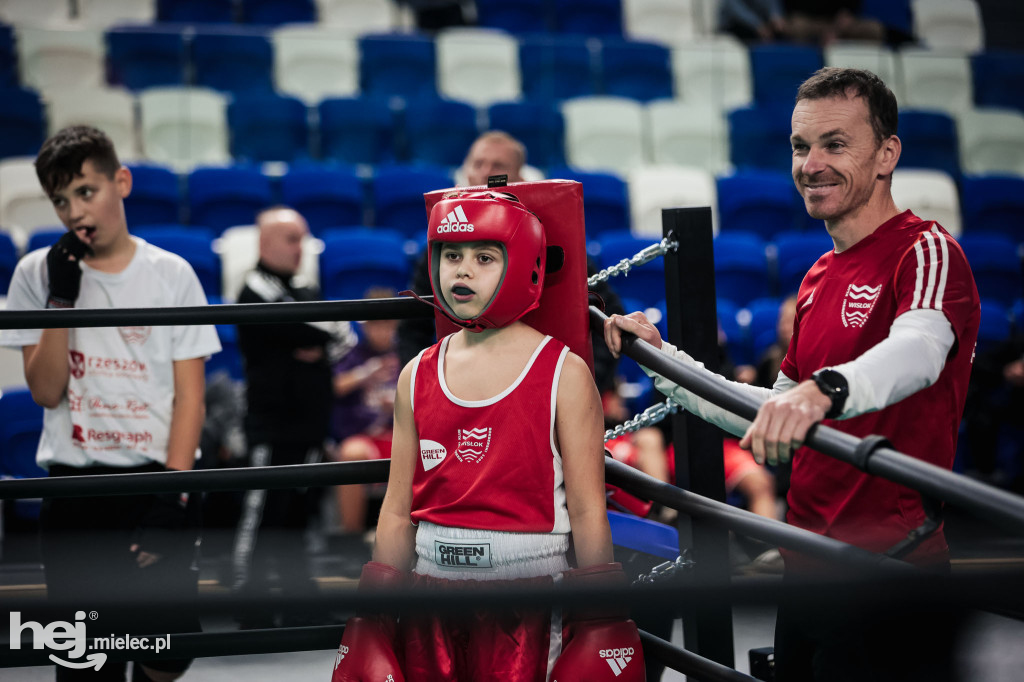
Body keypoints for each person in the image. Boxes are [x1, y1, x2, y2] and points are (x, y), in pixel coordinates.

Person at [604, 67, 980, 681]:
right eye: (801, 147)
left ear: (887, 154)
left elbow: (921, 347)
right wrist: (667, 361)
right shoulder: (816, 279)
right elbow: (771, 409)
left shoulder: (926, 250)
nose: (812, 164)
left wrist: (824, 391)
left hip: (889, 573)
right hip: (808, 568)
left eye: (836, 144)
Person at [332, 191, 644, 681]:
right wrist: (369, 617)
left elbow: (587, 508)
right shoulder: (415, 374)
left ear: (523, 265)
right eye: (452, 255)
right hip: (429, 594)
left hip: (531, 600)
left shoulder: (562, 372)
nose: (463, 271)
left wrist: (603, 616)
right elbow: (396, 509)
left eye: (484, 257)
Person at [0, 125, 222, 681]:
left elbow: (190, 398)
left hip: (155, 480)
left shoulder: (171, 274)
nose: (75, 211)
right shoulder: (36, 273)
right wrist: (60, 299)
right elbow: (46, 391)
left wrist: (172, 499)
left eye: (85, 191)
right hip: (77, 488)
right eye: (60, 200)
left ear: (120, 182)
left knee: (167, 657)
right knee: (85, 665)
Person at [231, 206, 355, 627]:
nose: (300, 247)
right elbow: (306, 330)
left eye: (302, 238)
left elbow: (341, 336)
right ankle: (250, 600)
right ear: (265, 243)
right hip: (273, 422)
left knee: (300, 512)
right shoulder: (254, 287)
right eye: (291, 238)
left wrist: (310, 341)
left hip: (309, 423)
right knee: (263, 510)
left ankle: (300, 598)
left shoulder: (304, 287)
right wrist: (309, 339)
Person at [328, 287, 401, 566]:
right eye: (375, 324)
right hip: (362, 436)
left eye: (387, 324)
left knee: (429, 451)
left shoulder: (408, 353)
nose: (382, 331)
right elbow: (332, 386)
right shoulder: (352, 355)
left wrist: (398, 404)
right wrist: (363, 375)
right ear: (364, 325)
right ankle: (351, 540)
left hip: (399, 435)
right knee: (351, 453)